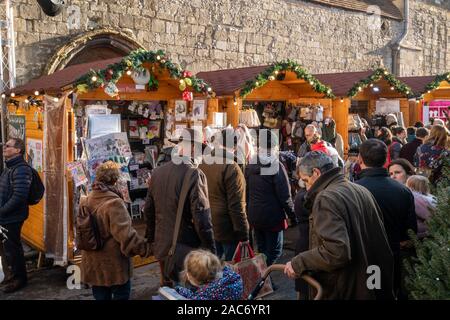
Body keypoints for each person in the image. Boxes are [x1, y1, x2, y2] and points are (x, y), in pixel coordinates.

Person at [284, 151, 394, 299]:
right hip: (369, 282)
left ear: (316, 173)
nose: (307, 188)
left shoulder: (326, 197)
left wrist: (299, 262)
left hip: (346, 286)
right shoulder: (360, 190)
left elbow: (336, 251)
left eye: (306, 180)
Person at [144, 129, 216, 285]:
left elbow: (148, 210)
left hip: (163, 248)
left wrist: (152, 241)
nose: (201, 155)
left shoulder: (158, 172)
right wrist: (211, 251)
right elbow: (202, 218)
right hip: (185, 250)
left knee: (169, 290)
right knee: (187, 294)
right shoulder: (194, 174)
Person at [80, 161, 151, 300]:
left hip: (93, 264)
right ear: (115, 181)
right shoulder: (114, 203)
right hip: (113, 266)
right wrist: (147, 249)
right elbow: (126, 237)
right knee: (121, 295)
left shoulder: (86, 200)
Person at [356, 139, 417, 298]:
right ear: (385, 160)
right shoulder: (402, 191)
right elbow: (409, 232)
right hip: (392, 257)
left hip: (364, 259)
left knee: (371, 294)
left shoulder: (353, 190)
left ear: (360, 159)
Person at [245, 130, 296, 266]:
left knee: (261, 250)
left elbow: (247, 192)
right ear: (274, 147)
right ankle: (263, 279)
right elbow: (285, 197)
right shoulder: (276, 166)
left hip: (254, 215)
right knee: (275, 251)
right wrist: (293, 215)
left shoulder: (250, 165)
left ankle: (263, 281)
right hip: (272, 218)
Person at [199, 128, 249, 261]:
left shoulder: (203, 162)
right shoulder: (232, 166)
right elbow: (237, 205)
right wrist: (244, 234)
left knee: (211, 269)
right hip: (227, 228)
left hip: (208, 223)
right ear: (234, 146)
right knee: (229, 270)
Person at [0, 138, 33, 293]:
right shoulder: (10, 167)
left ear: (17, 150)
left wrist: (2, 211)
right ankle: (12, 276)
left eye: (8, 146)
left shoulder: (21, 169)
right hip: (6, 215)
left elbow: (19, 197)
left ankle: (19, 279)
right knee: (8, 248)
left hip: (12, 217)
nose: (4, 147)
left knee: (13, 249)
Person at [175, 249, 243, 300]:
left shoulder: (203, 296)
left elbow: (194, 297)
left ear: (195, 280)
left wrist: (179, 289)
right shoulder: (233, 278)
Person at [406, 175, 436, 240]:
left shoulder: (415, 198)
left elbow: (427, 215)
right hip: (431, 230)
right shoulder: (432, 197)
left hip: (421, 232)